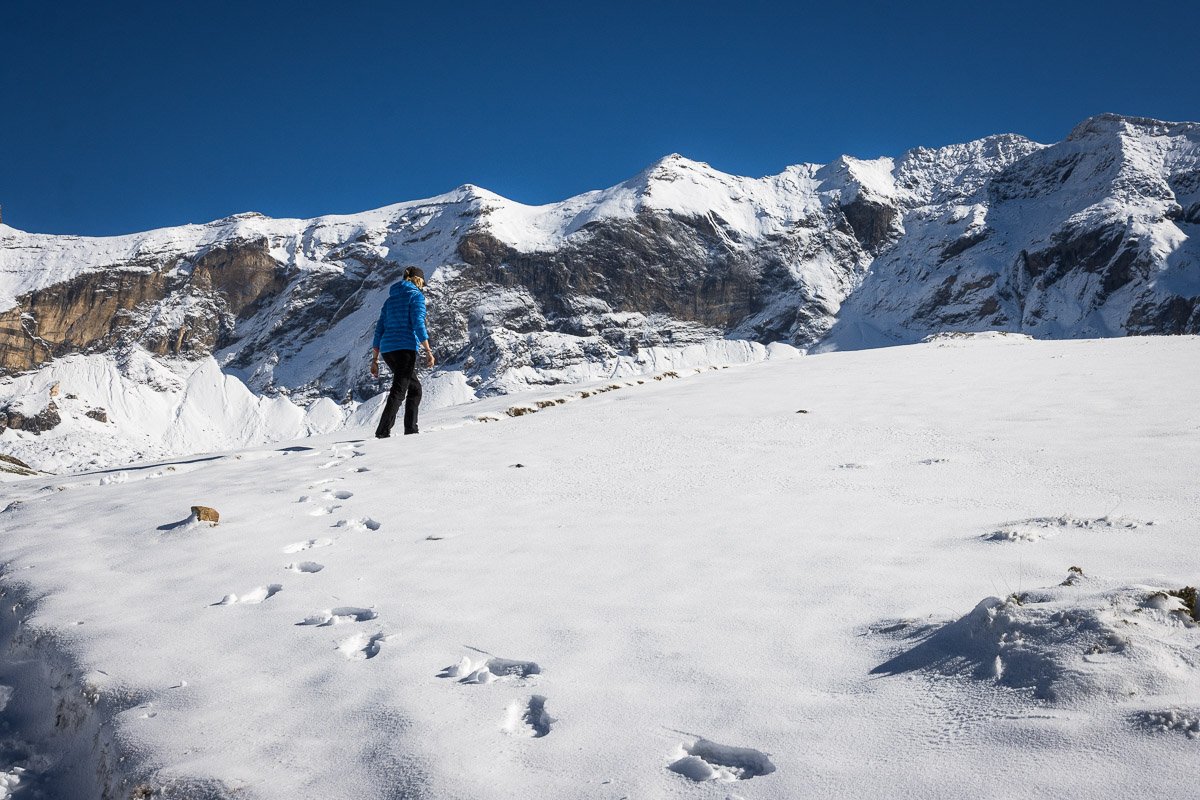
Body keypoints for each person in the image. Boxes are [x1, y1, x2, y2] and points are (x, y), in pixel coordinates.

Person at [371, 266, 435, 438]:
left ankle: (411, 429)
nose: (423, 286)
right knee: (399, 390)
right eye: (422, 283)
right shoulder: (416, 296)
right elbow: (418, 323)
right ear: (418, 280)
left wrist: (375, 359)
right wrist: (428, 350)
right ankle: (383, 431)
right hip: (405, 348)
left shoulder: (389, 301)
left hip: (387, 350)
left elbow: (379, 329)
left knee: (414, 388)